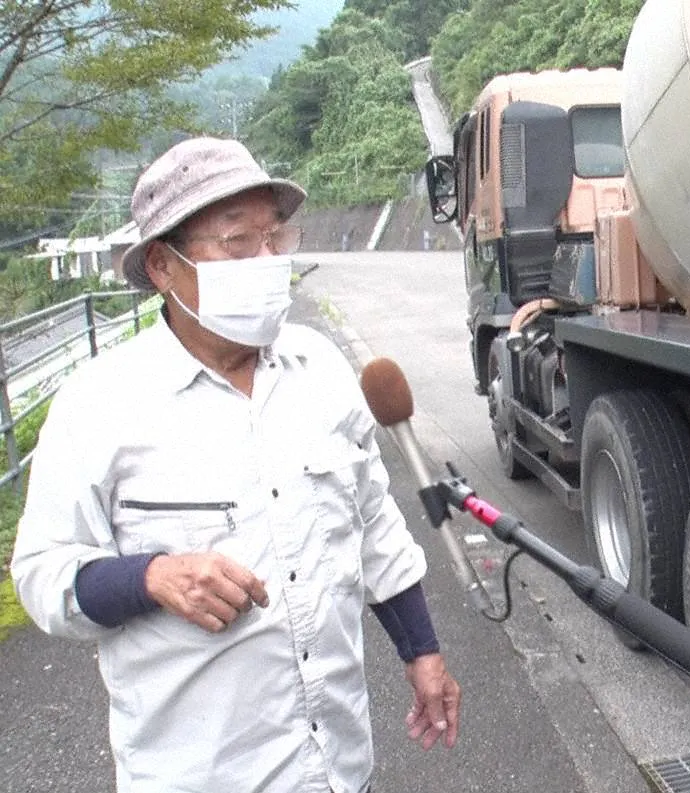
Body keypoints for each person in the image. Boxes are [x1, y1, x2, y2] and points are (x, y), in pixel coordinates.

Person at [10, 137, 461, 793]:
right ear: (163, 265)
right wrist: (152, 576)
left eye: (274, 238)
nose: (268, 260)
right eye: (237, 242)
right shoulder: (99, 405)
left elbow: (374, 527)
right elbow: (40, 573)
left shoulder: (322, 371)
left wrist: (422, 651)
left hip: (337, 764)